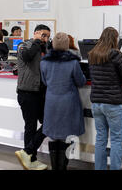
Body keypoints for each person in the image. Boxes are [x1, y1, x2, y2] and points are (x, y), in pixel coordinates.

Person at [40, 32, 86, 170]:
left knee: (53, 137)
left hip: (51, 102)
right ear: (67, 45)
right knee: (67, 136)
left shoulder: (44, 62)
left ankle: (55, 167)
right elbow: (81, 81)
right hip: (68, 103)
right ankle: (63, 167)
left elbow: (44, 81)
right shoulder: (72, 62)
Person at [88, 27, 122, 170]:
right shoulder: (116, 55)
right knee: (116, 140)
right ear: (114, 39)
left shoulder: (92, 55)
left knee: (100, 139)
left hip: (96, 103)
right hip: (112, 103)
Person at [15, 24, 51, 170]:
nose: (46, 39)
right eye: (43, 35)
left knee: (48, 124)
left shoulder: (45, 48)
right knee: (30, 127)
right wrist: (37, 41)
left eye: (48, 36)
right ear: (35, 33)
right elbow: (27, 56)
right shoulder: (24, 45)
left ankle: (27, 153)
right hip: (27, 93)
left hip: (41, 93)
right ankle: (31, 160)